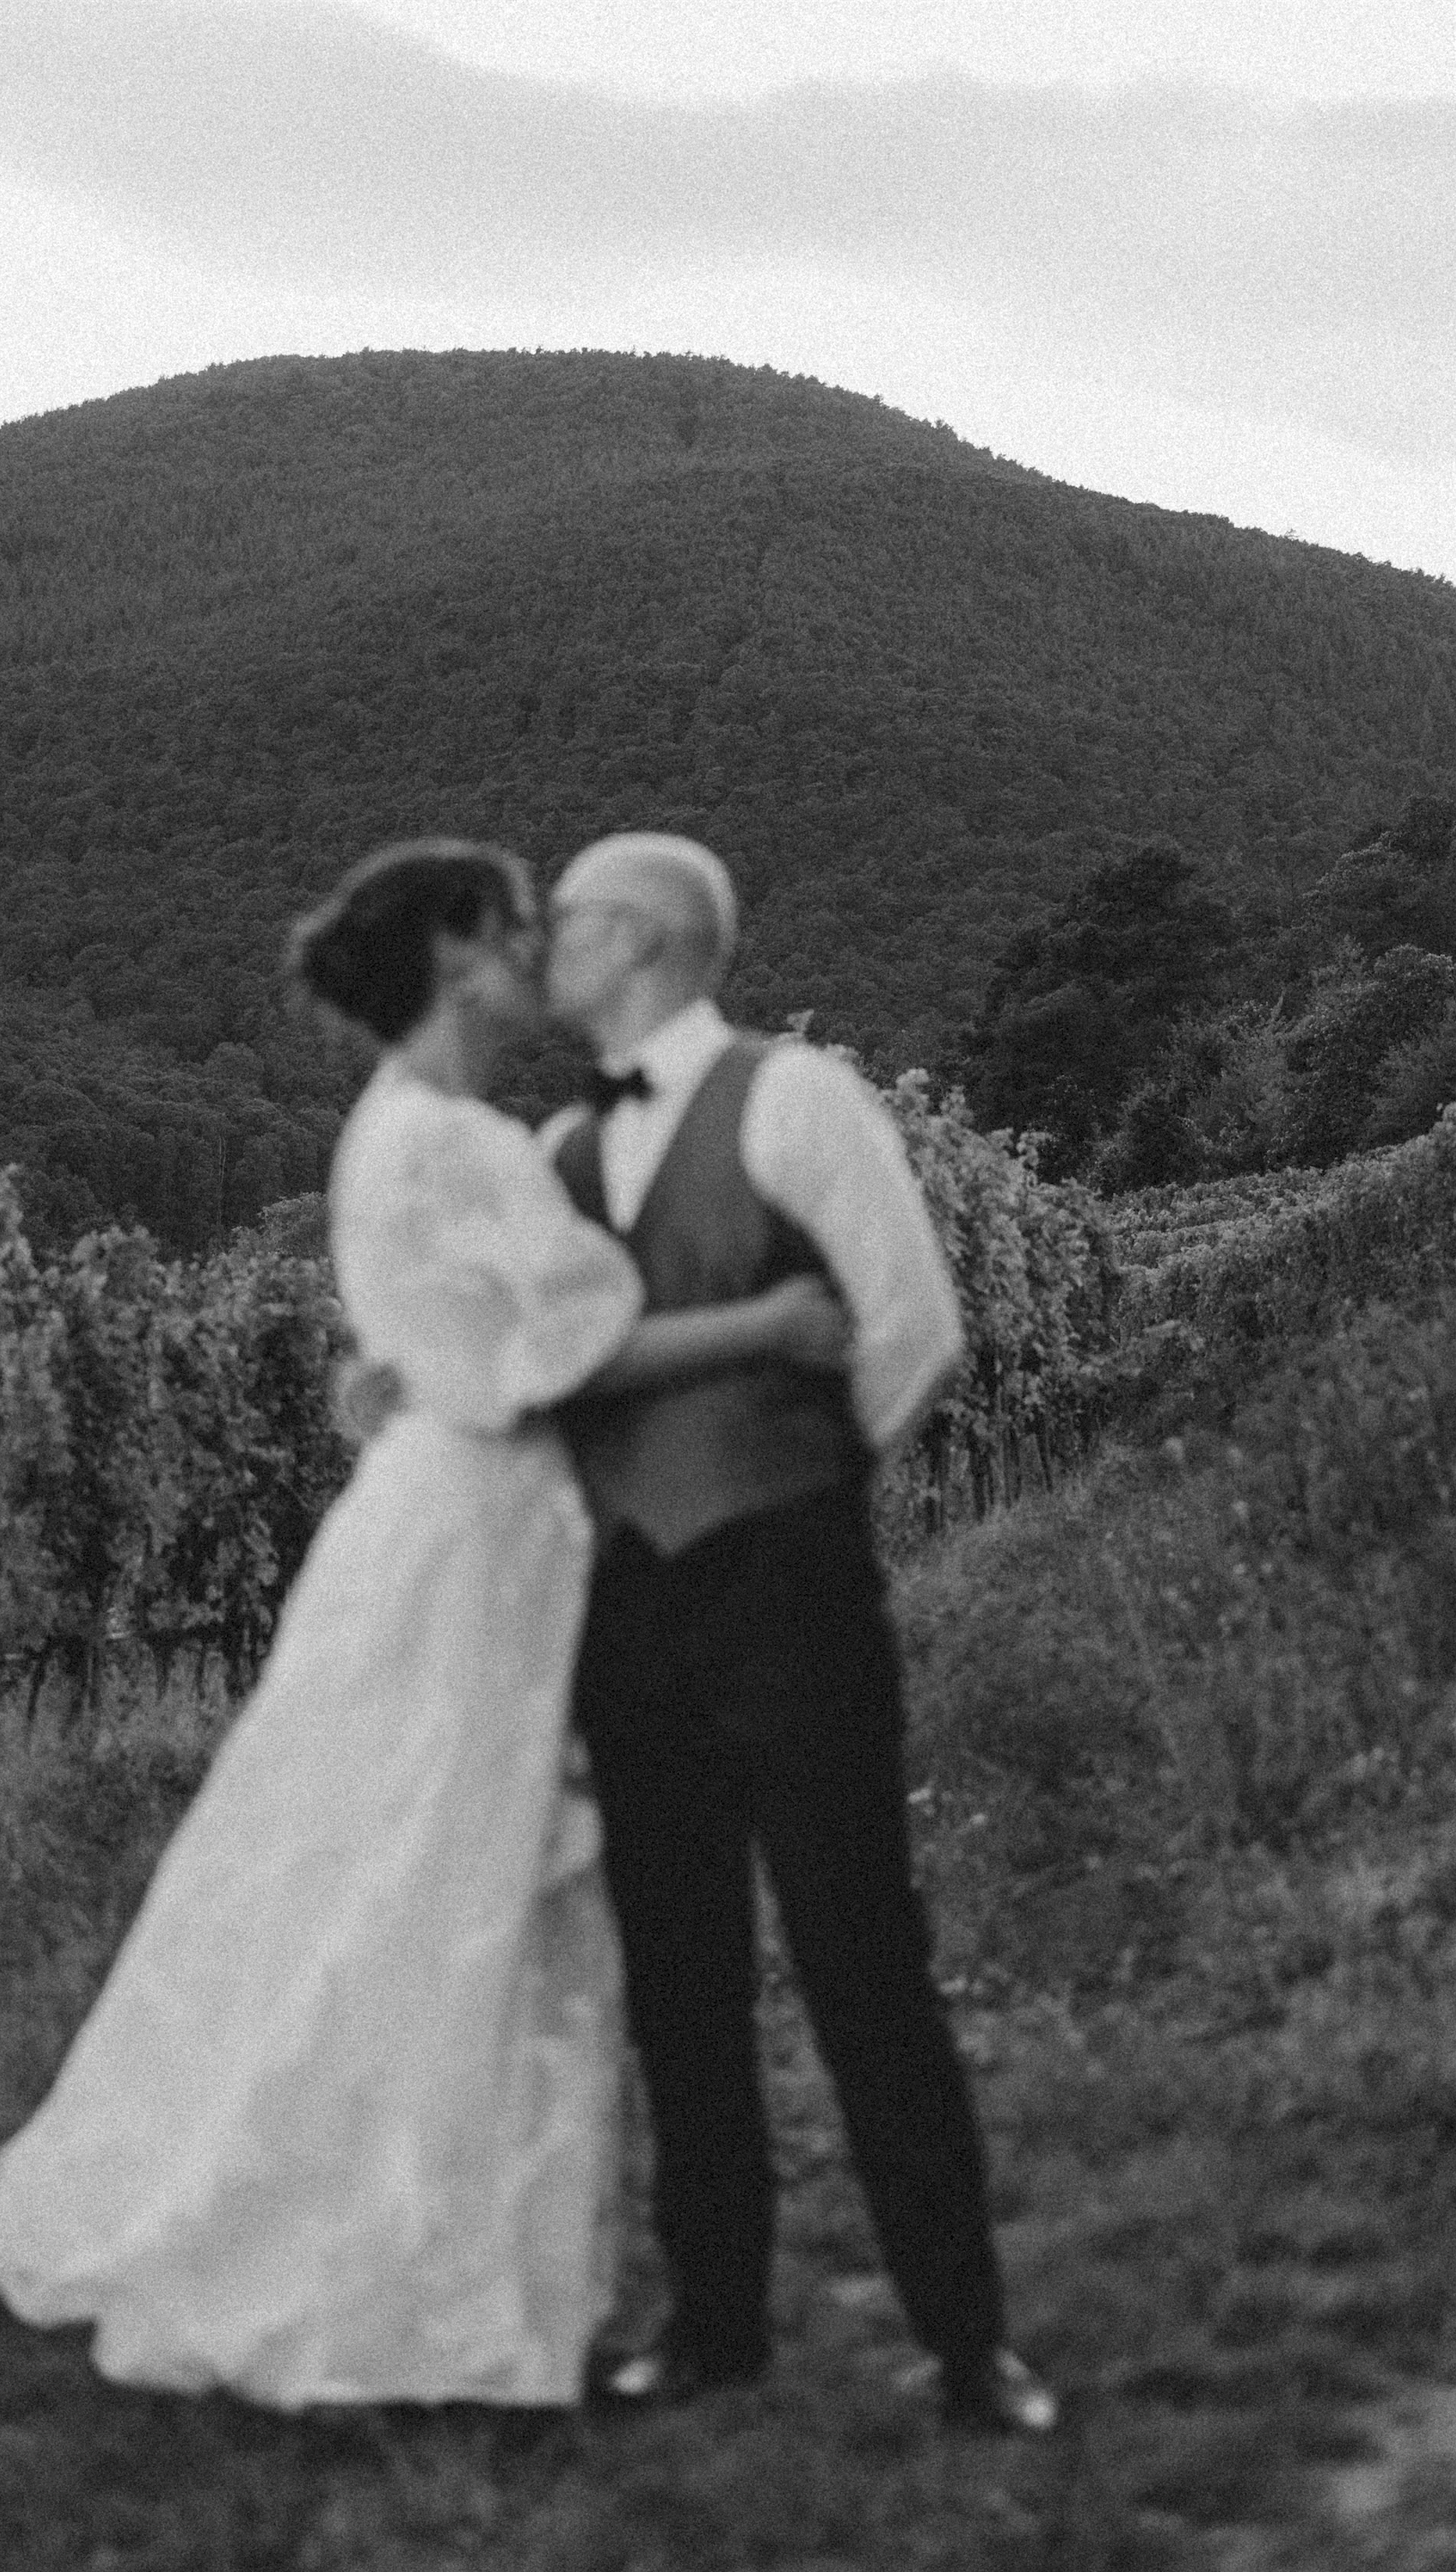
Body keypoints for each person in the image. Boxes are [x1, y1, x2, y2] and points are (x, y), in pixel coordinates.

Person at [0, 838, 852, 2409]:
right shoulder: (450, 1141)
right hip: (480, 1530)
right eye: (516, 932)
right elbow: (575, 1353)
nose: (538, 960)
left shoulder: (399, 1127)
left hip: (441, 1516)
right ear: (457, 954)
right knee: (445, 1868)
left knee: (400, 1858)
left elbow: (459, 1344)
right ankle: (403, 2278)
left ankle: (414, 2242)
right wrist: (773, 1325)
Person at [541, 832, 1057, 2434]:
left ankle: (969, 2342)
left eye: (566, 923)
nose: (546, 949)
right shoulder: (560, 1149)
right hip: (621, 1612)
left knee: (860, 1956)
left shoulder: (794, 1098)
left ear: (637, 939)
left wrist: (800, 1498)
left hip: (789, 1589)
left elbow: (913, 1331)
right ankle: (714, 2328)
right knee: (678, 1975)